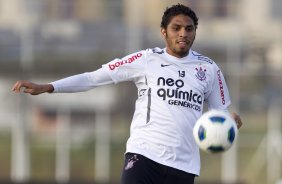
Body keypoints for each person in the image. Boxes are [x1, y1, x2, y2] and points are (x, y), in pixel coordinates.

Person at [12, 4, 242, 184]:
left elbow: (219, 116)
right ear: (164, 32)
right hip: (143, 156)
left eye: (189, 28)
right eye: (177, 28)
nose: (183, 33)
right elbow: (94, 78)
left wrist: (230, 122)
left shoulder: (209, 69)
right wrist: (49, 87)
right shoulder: (145, 59)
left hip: (184, 166)